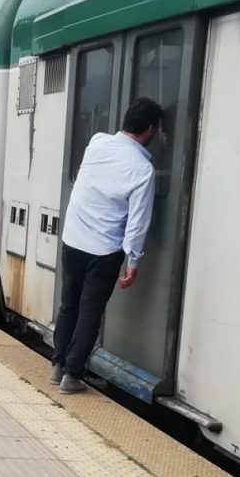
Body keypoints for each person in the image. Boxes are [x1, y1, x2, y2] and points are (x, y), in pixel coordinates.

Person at [50, 96, 163, 395]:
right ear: (150, 129)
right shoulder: (142, 170)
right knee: (89, 312)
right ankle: (72, 376)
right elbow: (138, 222)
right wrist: (133, 261)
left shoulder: (96, 143)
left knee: (68, 305)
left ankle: (57, 365)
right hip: (103, 249)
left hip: (73, 240)